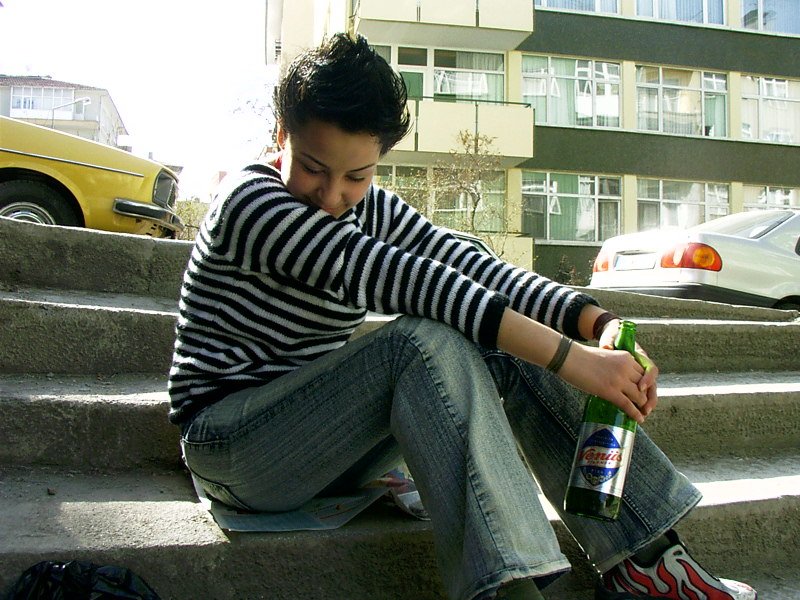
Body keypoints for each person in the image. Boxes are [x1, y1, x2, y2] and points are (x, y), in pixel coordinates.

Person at [168, 32, 757, 600]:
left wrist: (593, 323)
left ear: (379, 160)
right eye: (314, 167)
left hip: (328, 448)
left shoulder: (371, 207)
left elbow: (468, 265)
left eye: (357, 175)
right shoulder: (251, 203)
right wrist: (570, 360)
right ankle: (511, 590)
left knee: (500, 344)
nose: (330, 196)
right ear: (281, 135)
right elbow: (409, 281)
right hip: (234, 448)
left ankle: (646, 564)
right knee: (418, 341)